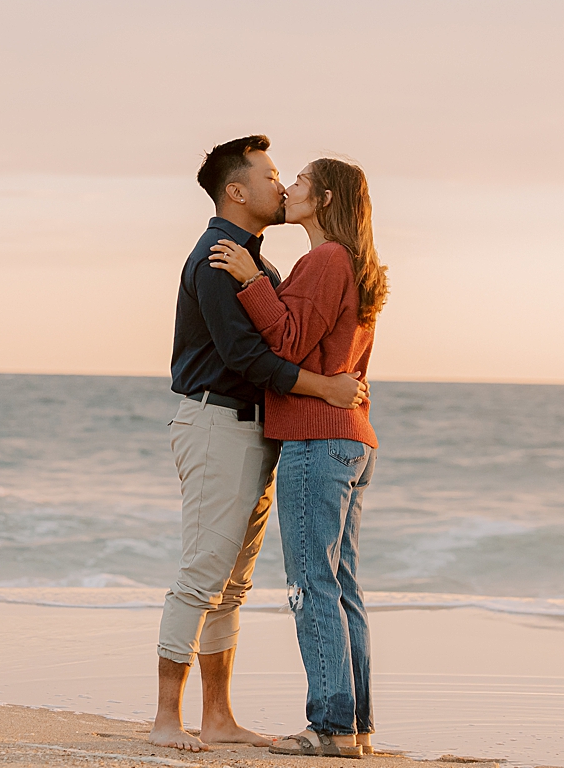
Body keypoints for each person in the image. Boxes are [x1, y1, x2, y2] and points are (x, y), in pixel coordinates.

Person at [151, 135, 371, 753]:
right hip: (217, 422)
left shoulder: (259, 262)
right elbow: (250, 354)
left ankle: (218, 717)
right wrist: (325, 387)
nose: (281, 186)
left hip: (255, 429)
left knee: (233, 584)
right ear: (236, 191)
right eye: (272, 176)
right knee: (201, 574)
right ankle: (168, 718)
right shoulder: (219, 258)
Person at [208, 157, 387, 759]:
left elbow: (286, 341)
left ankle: (331, 725)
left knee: (311, 584)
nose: (289, 189)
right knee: (341, 587)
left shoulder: (326, 258)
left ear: (326, 196)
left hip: (317, 439)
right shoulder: (350, 263)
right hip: (349, 439)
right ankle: (355, 727)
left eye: (302, 182)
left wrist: (249, 279)